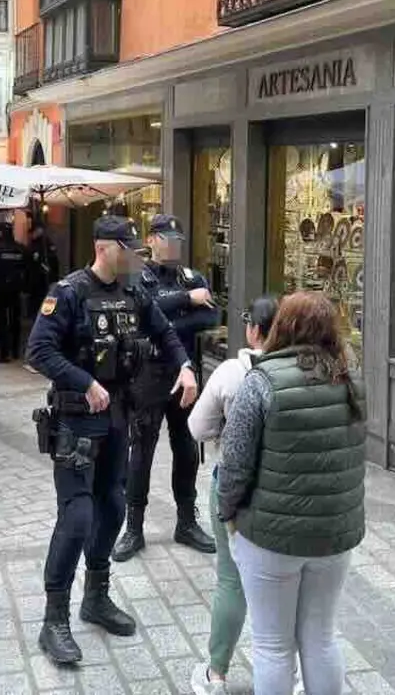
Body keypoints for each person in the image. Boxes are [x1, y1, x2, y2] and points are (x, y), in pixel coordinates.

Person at [26, 215, 199, 665]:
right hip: (77, 423)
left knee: (115, 506)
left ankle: (96, 596)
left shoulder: (133, 292)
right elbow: (38, 351)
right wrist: (83, 381)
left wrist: (185, 367)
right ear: (105, 248)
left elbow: (164, 331)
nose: (135, 256)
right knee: (78, 515)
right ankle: (54, 619)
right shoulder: (68, 293)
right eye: (128, 248)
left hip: (119, 417)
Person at [218, 291, 365, 695]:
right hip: (335, 534)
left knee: (272, 645)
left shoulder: (262, 380)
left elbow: (233, 466)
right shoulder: (350, 377)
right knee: (320, 637)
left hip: (270, 537)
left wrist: (227, 515)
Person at [187, 296, 282, 695]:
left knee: (232, 579)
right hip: (281, 487)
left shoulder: (230, 372)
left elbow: (196, 426)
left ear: (253, 330)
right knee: (282, 581)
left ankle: (217, 674)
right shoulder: (303, 371)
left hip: (233, 485)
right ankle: (286, 675)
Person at [114, 214, 220, 562]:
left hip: (184, 374)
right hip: (148, 374)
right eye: (167, 238)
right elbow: (139, 310)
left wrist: (165, 320)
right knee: (141, 452)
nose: (173, 245)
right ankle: (133, 528)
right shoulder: (138, 276)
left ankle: (186, 522)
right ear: (152, 239)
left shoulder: (192, 276)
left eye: (178, 239)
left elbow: (211, 318)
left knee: (187, 449)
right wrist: (187, 300)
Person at [0, 224, 28, 363]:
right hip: (16, 290)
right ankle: (15, 351)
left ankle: (4, 352)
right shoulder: (21, 250)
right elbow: (27, 270)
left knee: (1, 322)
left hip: (0, 291)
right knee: (15, 321)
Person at [26, 220, 60, 319]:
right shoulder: (39, 244)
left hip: (42, 279)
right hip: (39, 280)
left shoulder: (43, 245)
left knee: (42, 303)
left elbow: (50, 262)